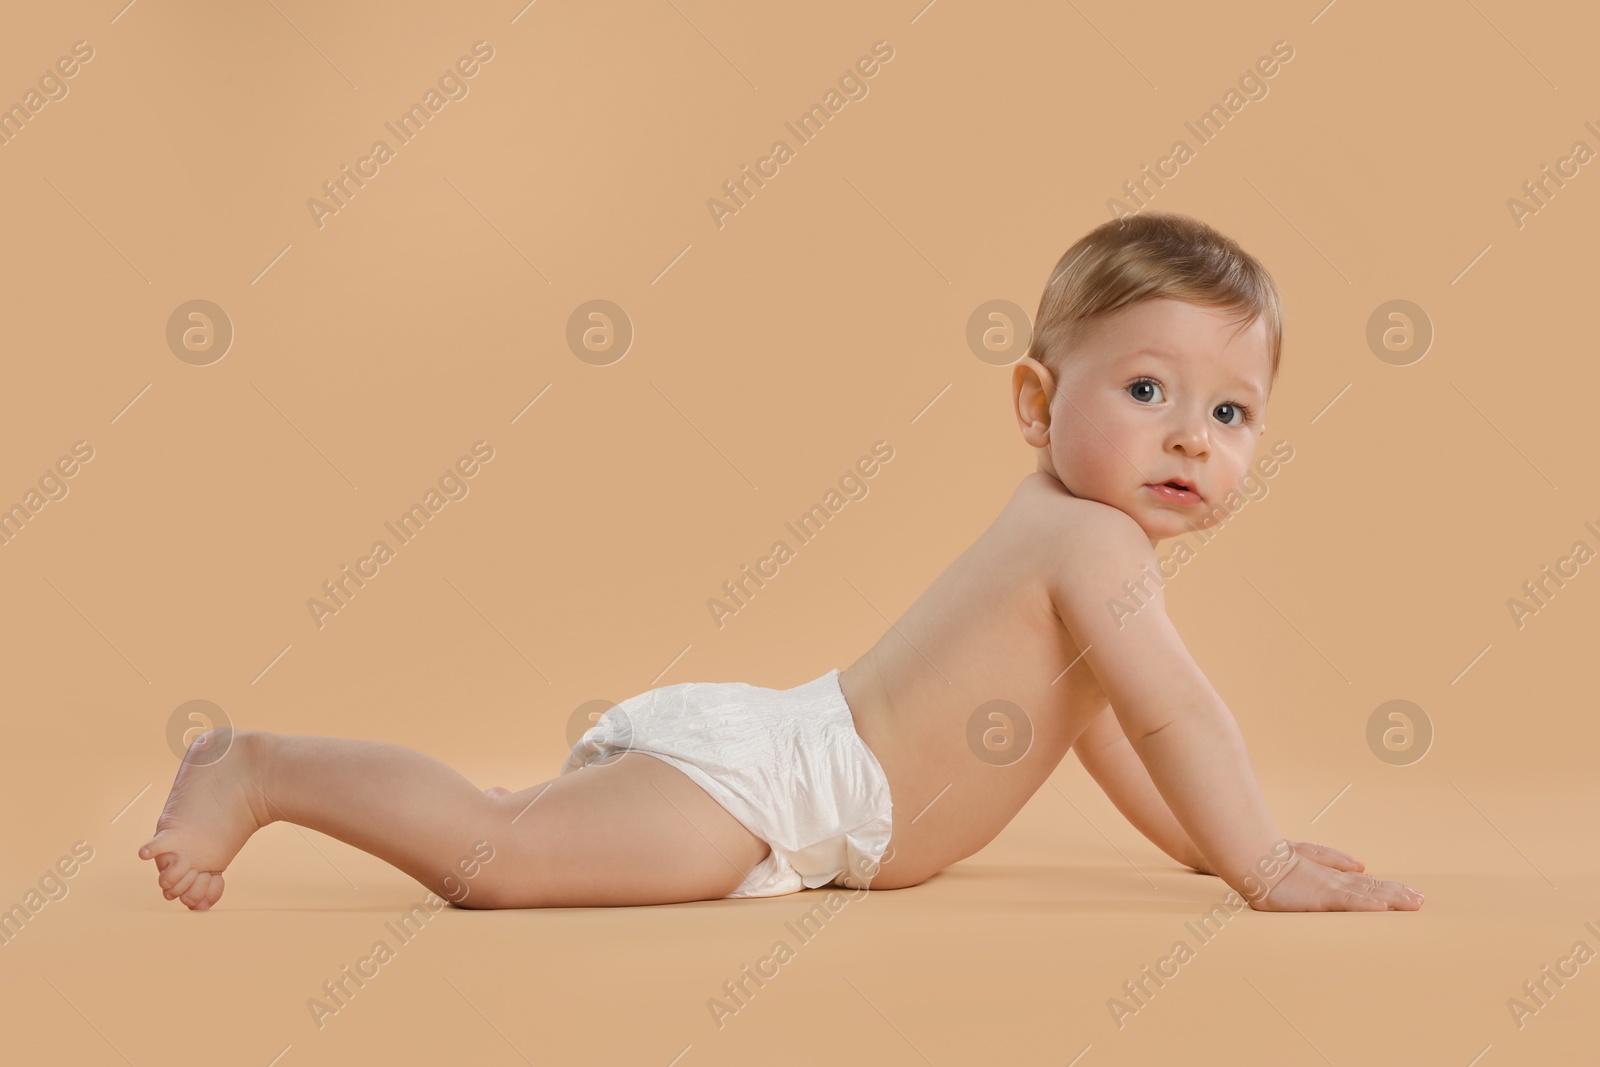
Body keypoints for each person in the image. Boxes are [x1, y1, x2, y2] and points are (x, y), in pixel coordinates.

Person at [138, 211, 1424, 913]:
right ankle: (255, 767)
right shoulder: (1089, 537)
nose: (1190, 436)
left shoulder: (1085, 543)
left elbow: (1101, 730)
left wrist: (1207, 848)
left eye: (1231, 412)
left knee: (515, 842)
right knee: (496, 859)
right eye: (1146, 387)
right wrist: (1254, 863)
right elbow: (1173, 710)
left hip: (806, 799)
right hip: (781, 786)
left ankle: (265, 771)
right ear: (1036, 401)